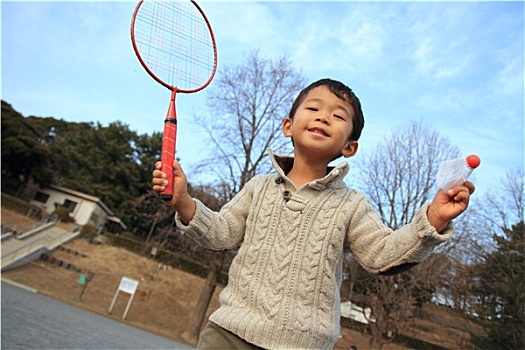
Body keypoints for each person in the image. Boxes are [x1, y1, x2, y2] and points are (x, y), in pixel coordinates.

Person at [152, 78, 475, 350]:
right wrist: (183, 200)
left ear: (349, 146)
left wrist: (433, 218)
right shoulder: (258, 187)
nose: (322, 117)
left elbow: (382, 256)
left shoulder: (352, 204)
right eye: (313, 108)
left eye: (337, 116)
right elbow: (220, 233)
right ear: (288, 126)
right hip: (229, 334)